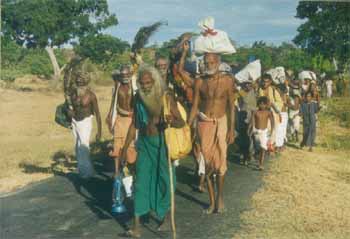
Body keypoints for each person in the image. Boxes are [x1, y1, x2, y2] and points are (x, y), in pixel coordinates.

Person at [121, 65, 185, 237]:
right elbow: (134, 124)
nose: (146, 86)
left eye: (148, 83)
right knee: (141, 181)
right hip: (144, 144)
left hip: (162, 145)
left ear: (155, 82)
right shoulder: (137, 97)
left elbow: (181, 122)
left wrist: (171, 120)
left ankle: (166, 218)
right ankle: (136, 227)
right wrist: (125, 148)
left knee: (165, 181)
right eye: (142, 84)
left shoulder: (166, 96)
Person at [188, 53, 235, 214]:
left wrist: (231, 129)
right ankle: (212, 201)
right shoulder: (199, 81)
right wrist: (187, 127)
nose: (209, 65)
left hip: (221, 122)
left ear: (218, 62)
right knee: (207, 164)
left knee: (220, 164)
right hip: (204, 124)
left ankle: (220, 199)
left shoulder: (227, 80)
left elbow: (231, 106)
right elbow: (195, 105)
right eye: (206, 63)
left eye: (212, 62)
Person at [68, 67, 102, 179]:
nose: (79, 81)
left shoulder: (91, 95)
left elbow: (97, 113)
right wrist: (69, 112)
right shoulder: (73, 93)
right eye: (77, 79)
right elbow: (68, 106)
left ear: (86, 81)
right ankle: (82, 171)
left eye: (81, 79)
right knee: (77, 147)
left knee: (84, 146)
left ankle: (88, 173)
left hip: (85, 122)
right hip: (75, 122)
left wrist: (99, 131)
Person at [106, 65, 136, 177]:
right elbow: (114, 102)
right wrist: (109, 115)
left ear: (131, 75)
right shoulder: (117, 86)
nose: (125, 77)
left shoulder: (134, 87)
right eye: (123, 75)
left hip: (132, 120)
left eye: (127, 75)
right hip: (120, 119)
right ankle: (117, 171)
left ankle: (132, 170)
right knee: (117, 146)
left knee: (131, 146)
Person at [258, 73, 283, 146]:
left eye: (266, 81)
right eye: (263, 81)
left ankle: (271, 147)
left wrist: (272, 104)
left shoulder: (273, 90)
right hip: (262, 114)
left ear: (270, 82)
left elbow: (280, 102)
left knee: (273, 130)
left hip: (272, 114)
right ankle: (263, 147)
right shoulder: (258, 90)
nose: (264, 83)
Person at [251, 96, 274, 170]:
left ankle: (261, 164)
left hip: (264, 132)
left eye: (264, 104)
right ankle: (256, 157)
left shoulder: (269, 112)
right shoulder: (255, 112)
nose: (262, 106)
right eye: (260, 104)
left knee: (263, 148)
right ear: (258, 104)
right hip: (257, 132)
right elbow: (252, 122)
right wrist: (251, 129)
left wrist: (272, 130)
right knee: (257, 148)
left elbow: (272, 121)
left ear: (266, 104)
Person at [237, 80, 257, 165]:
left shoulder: (254, 93)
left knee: (250, 137)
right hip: (241, 116)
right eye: (246, 83)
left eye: (250, 83)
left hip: (250, 117)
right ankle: (243, 155)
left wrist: (252, 121)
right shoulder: (241, 92)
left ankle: (249, 155)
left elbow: (254, 109)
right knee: (242, 137)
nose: (248, 85)